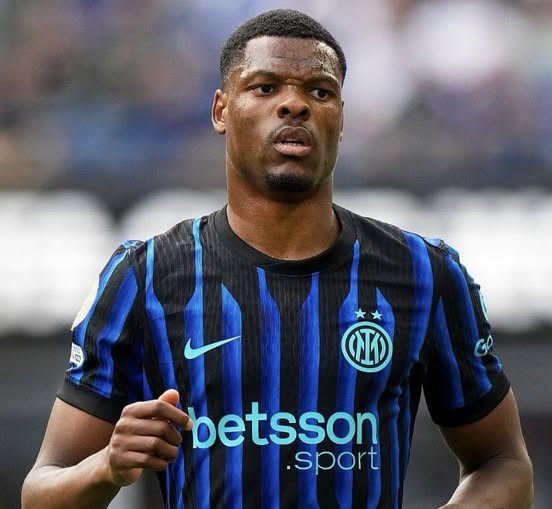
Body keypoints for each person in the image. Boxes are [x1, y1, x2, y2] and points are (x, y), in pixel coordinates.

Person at [22, 9, 533, 509]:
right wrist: (107, 467)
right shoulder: (146, 277)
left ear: (341, 118)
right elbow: (41, 492)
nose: (294, 105)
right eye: (266, 87)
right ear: (221, 111)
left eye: (320, 91)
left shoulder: (423, 273)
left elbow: (502, 462)